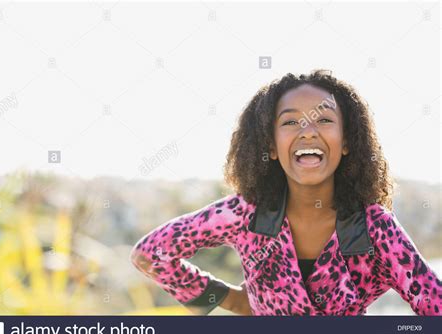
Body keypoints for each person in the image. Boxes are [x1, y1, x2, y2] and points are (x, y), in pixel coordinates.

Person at [130, 70, 442, 316]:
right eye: (291, 121)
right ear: (270, 146)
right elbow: (150, 254)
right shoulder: (245, 214)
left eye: (324, 119)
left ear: (347, 142)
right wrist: (232, 300)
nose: (308, 130)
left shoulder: (375, 227)